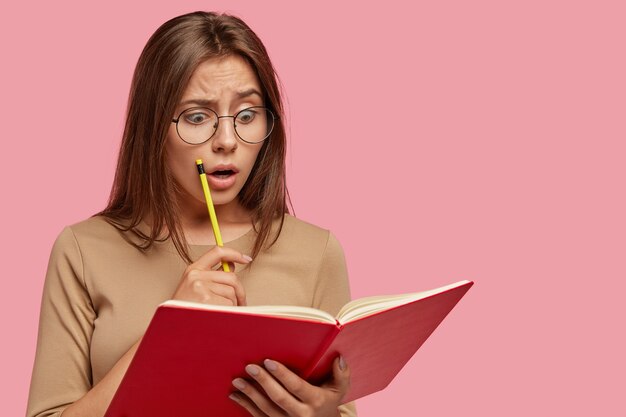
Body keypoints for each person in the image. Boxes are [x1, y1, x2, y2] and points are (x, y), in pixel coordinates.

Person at [26, 11, 358, 417]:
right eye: (197, 117)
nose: (226, 141)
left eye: (247, 115)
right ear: (153, 128)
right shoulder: (81, 250)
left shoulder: (316, 251)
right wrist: (169, 329)